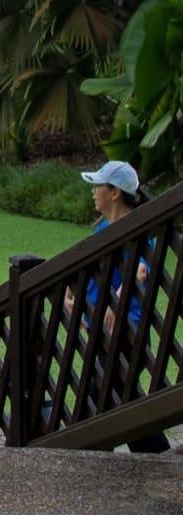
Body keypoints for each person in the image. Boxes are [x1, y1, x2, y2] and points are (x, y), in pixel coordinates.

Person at [71, 160, 169, 453]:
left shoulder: (139, 230)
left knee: (97, 403)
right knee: (120, 406)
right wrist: (78, 305)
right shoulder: (102, 231)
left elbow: (141, 270)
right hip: (104, 334)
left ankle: (94, 464)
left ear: (114, 193)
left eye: (98, 186)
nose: (93, 192)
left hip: (129, 335)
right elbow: (92, 280)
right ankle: (161, 460)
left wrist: (117, 300)